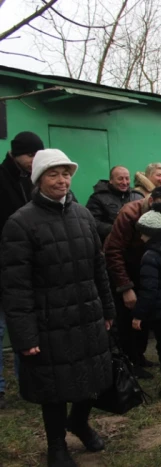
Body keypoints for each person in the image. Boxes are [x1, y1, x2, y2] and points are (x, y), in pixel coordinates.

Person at [1, 149, 115, 467]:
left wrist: (108, 310)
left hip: (86, 314)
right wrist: (24, 335)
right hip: (48, 320)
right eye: (53, 174)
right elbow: (15, 286)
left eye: (66, 173)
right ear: (39, 179)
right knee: (55, 387)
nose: (62, 180)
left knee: (92, 379)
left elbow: (98, 267)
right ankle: (56, 447)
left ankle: (78, 422)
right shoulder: (20, 224)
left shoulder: (82, 215)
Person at [104, 186, 161, 380]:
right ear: (151, 201)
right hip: (124, 271)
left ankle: (139, 357)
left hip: (145, 270)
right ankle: (129, 362)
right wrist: (125, 288)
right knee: (126, 319)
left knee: (143, 318)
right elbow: (113, 251)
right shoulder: (128, 214)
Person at [0, 131, 44, 410]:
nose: (33, 161)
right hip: (3, 265)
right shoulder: (2, 179)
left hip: (28, 268)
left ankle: (26, 381)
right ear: (15, 154)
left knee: (25, 329)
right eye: (29, 156)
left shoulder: (36, 180)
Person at [131, 202, 161, 400]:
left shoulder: (150, 257)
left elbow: (149, 291)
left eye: (144, 233)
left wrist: (138, 315)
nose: (141, 237)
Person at [86, 166, 144, 243]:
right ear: (111, 180)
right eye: (120, 179)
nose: (124, 182)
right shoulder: (97, 198)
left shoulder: (138, 196)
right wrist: (115, 230)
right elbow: (92, 222)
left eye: (127, 178)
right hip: (110, 244)